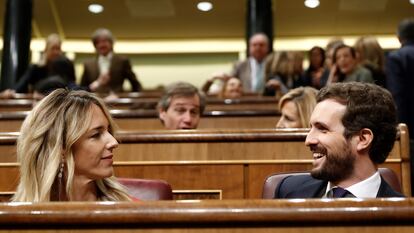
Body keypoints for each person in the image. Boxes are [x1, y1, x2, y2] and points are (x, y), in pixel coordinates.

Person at [274, 82, 404, 198]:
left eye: (322, 129)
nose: (308, 140)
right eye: (311, 128)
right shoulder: (288, 192)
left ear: (363, 139)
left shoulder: (405, 216)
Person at [12, 89, 132, 202]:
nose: (114, 142)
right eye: (96, 135)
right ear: (60, 148)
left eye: (108, 130)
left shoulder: (130, 211)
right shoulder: (16, 218)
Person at [386, 18, 414, 192]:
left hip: (410, 128)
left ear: (398, 37)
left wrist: (399, 129)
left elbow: (397, 96)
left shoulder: (396, 57)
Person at [0, 34, 74, 98]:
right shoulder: (35, 68)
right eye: (53, 48)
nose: (56, 52)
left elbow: (71, 84)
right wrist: (11, 91)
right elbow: (22, 83)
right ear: (46, 49)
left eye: (58, 49)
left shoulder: (66, 67)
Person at [81, 28, 142, 94]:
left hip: (117, 102)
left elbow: (135, 85)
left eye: (104, 41)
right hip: (94, 102)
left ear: (111, 43)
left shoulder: (122, 61)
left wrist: (132, 100)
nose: (101, 45)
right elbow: (83, 87)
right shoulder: (88, 64)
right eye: (98, 42)